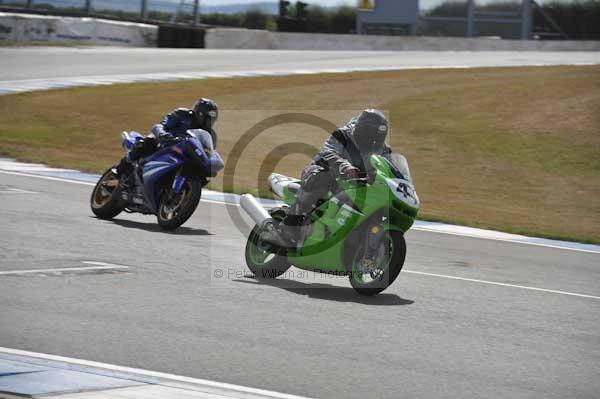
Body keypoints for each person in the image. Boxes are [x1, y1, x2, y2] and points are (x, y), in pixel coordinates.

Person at [262, 109, 391, 247]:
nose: (375, 141)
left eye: (379, 137)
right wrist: (345, 167)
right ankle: (289, 227)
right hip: (326, 173)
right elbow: (328, 152)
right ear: (363, 131)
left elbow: (388, 169)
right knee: (320, 178)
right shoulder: (343, 134)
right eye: (372, 136)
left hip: (356, 184)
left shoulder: (384, 150)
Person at [113, 98, 219, 178]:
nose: (209, 121)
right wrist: (162, 133)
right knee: (148, 141)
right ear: (199, 114)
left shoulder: (211, 135)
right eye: (207, 118)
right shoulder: (182, 114)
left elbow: (210, 152)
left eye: (211, 119)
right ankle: (119, 170)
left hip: (185, 155)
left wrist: (212, 164)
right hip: (165, 144)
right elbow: (161, 124)